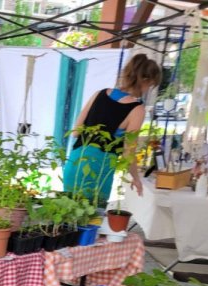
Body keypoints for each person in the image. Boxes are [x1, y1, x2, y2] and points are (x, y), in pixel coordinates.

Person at [62, 53, 162, 208]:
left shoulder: (100, 93)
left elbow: (75, 132)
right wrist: (136, 179)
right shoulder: (137, 109)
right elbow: (128, 153)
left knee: (67, 214)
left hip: (75, 160)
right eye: (150, 85)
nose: (148, 89)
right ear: (145, 80)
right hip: (99, 168)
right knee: (92, 217)